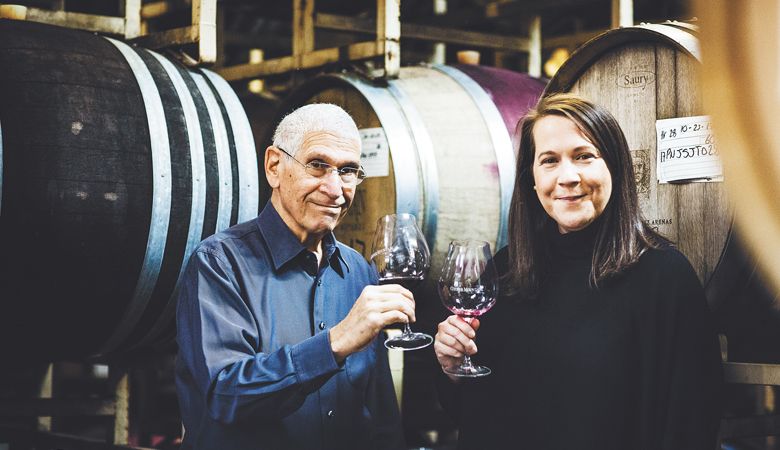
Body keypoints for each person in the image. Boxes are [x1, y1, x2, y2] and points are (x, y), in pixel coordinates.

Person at [433, 93, 722, 449]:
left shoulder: (664, 276)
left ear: (614, 166)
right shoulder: (507, 271)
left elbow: (692, 423)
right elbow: (473, 414)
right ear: (532, 180)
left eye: (584, 156)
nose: (567, 177)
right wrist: (451, 368)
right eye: (549, 161)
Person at [175, 103, 409, 450]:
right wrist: (334, 344)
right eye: (317, 166)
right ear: (274, 167)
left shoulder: (359, 271)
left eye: (347, 171)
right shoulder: (219, 263)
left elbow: (379, 412)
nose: (334, 189)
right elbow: (225, 394)